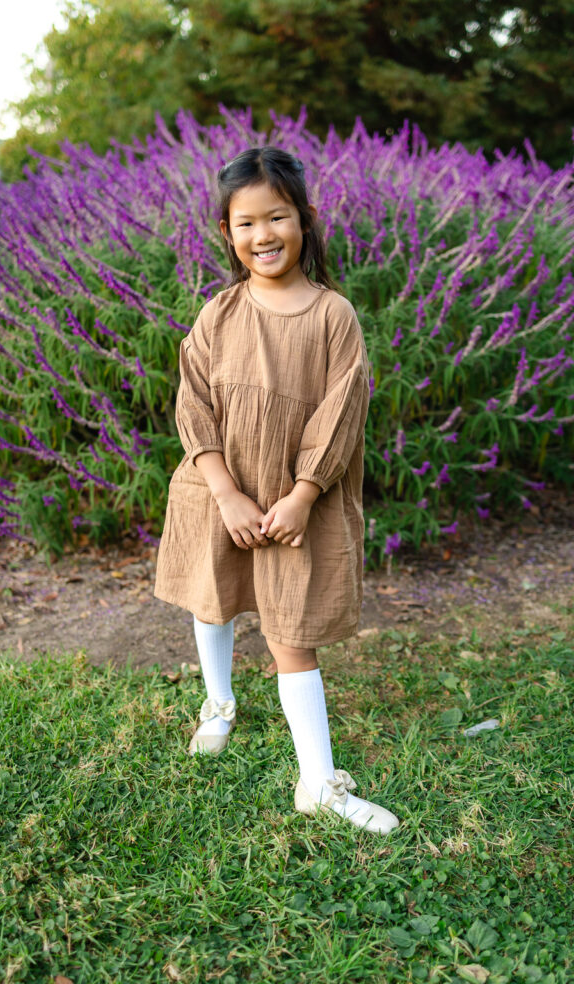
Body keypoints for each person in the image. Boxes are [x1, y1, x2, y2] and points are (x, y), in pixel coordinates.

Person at [154, 146, 399, 835]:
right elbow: (193, 407)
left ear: (304, 220)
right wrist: (226, 493)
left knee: (291, 631)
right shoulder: (218, 315)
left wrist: (301, 494)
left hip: (298, 500)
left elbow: (341, 412)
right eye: (244, 223)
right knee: (215, 599)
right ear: (226, 233)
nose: (262, 235)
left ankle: (317, 783)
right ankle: (220, 703)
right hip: (221, 489)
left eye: (277, 217)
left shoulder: (331, 316)